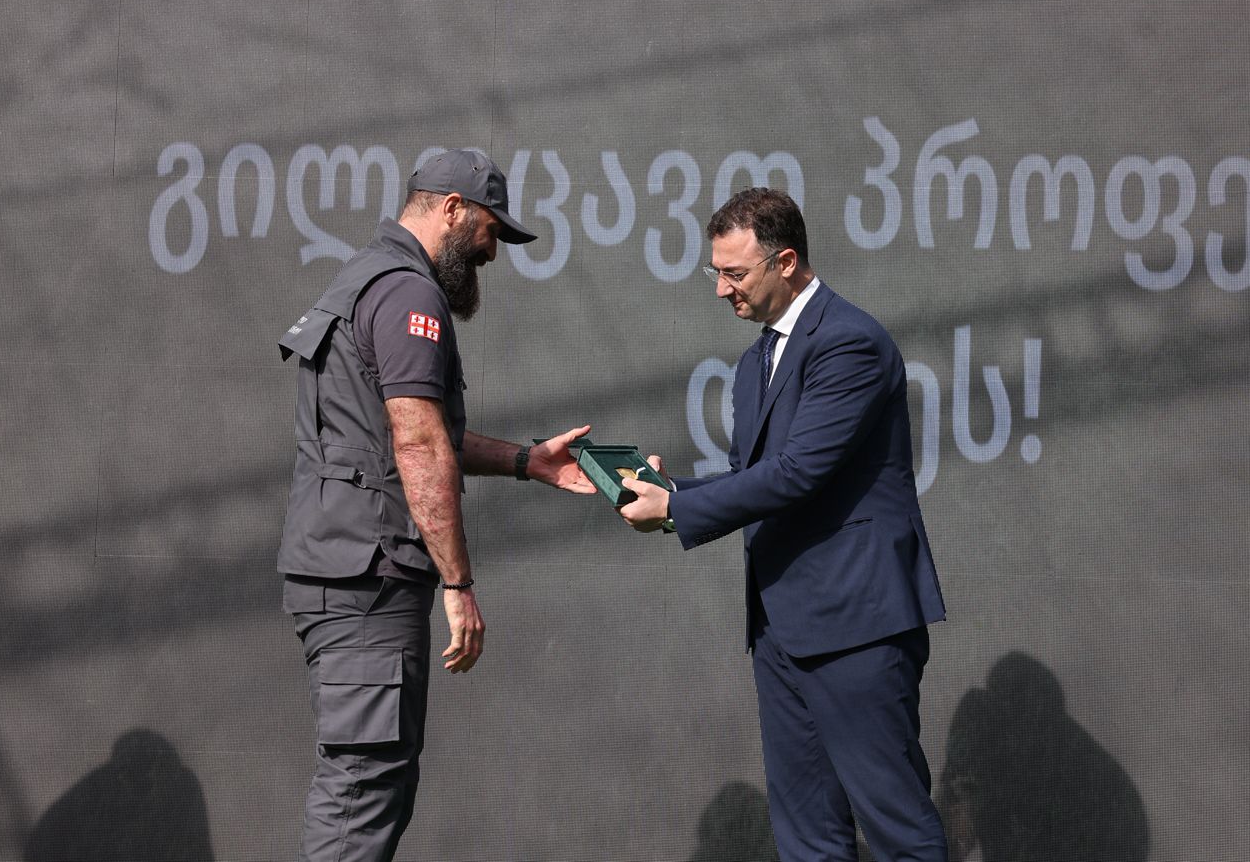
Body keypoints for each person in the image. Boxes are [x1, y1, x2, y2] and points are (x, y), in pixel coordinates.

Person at [275, 147, 595, 862]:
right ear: (452, 209)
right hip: (369, 578)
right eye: (490, 231)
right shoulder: (408, 294)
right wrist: (459, 584)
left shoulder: (366, 278)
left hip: (342, 568)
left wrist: (525, 460)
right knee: (364, 789)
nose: (492, 252)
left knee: (368, 779)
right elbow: (418, 444)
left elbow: (408, 436)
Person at [619, 187, 949, 862]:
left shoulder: (850, 343)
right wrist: (669, 492)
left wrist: (676, 509)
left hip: (857, 628)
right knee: (807, 840)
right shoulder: (754, 363)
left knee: (898, 834)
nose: (721, 289)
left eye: (735, 273)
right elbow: (753, 478)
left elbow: (797, 473)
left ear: (787, 262)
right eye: (715, 272)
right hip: (780, 631)